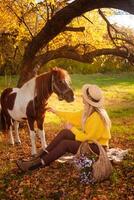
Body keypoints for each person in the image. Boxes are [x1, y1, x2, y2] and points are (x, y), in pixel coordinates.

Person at [16, 84, 111, 172]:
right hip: (90, 143)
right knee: (65, 132)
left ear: (89, 99)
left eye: (84, 96)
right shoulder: (89, 111)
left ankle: (37, 164)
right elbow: (73, 116)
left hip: (97, 148)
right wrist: (56, 111)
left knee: (65, 144)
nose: (82, 96)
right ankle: (40, 156)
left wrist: (72, 128)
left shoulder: (96, 117)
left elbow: (87, 138)